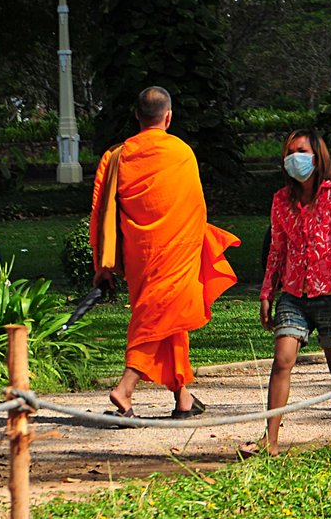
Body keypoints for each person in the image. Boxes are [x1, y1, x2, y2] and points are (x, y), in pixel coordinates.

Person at [90, 86, 240, 419]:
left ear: (137, 116)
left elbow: (101, 214)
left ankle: (183, 397)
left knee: (168, 318)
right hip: (177, 250)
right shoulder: (181, 153)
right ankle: (124, 388)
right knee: (158, 317)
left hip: (139, 255)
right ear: (168, 117)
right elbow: (196, 207)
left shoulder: (116, 157)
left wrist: (103, 263)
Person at [239, 129, 331, 457]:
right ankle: (270, 440)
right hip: (293, 294)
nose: (294, 157)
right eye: (290, 152)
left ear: (317, 157)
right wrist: (267, 293)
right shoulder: (281, 200)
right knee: (282, 360)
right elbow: (276, 249)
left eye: (301, 151)